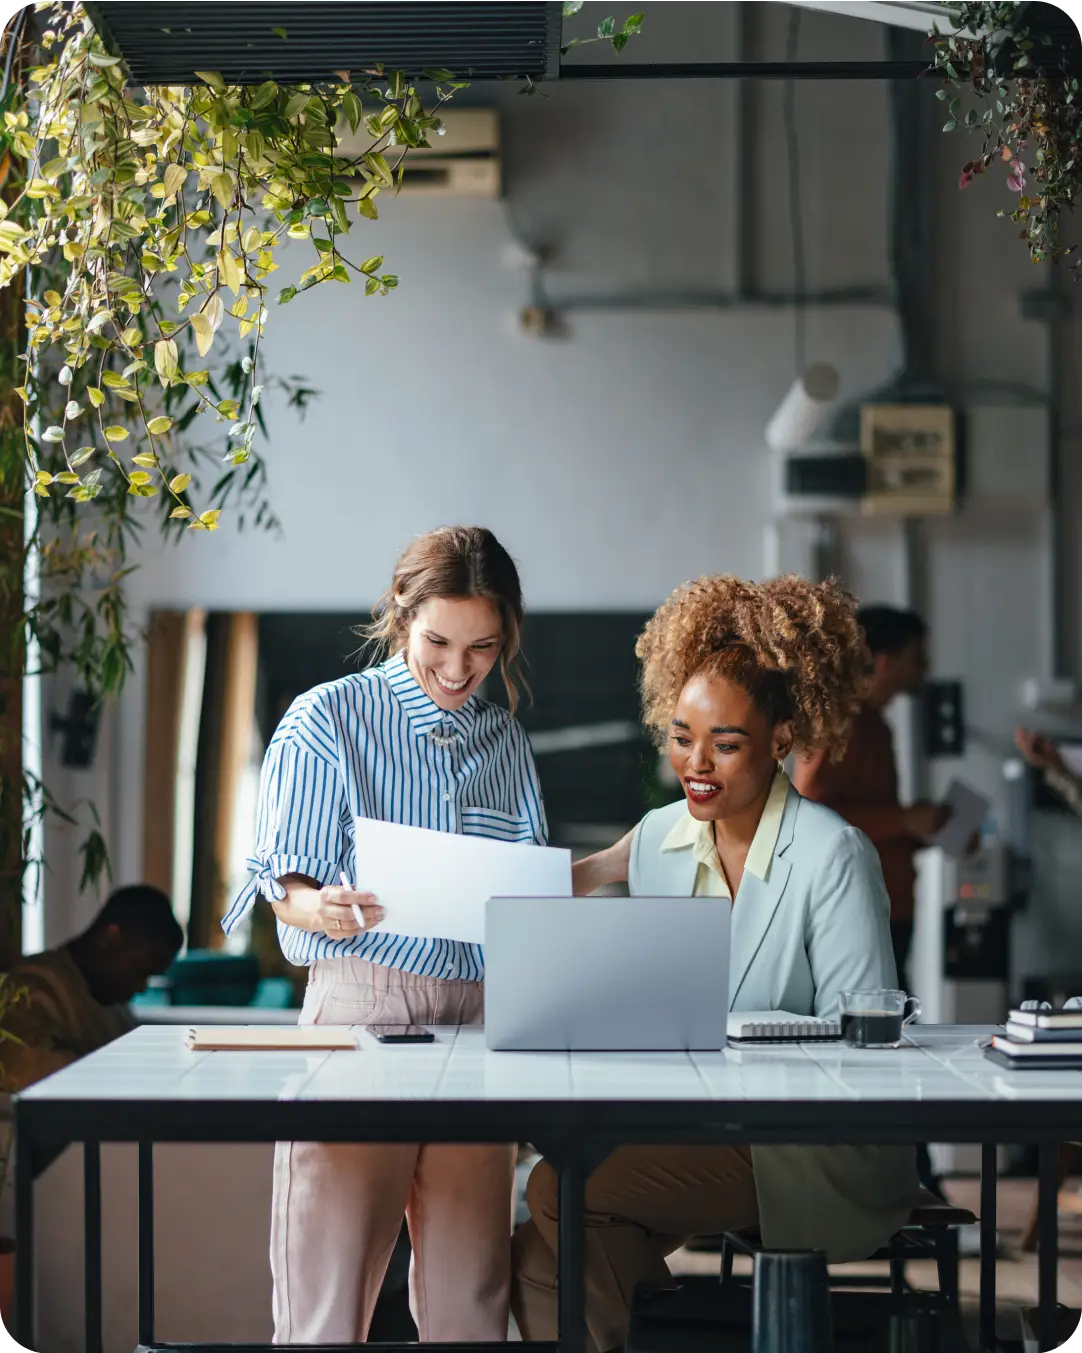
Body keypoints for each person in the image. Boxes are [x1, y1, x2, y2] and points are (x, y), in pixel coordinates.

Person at [222, 526, 628, 1347]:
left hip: (476, 1024)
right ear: (400, 614)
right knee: (325, 1304)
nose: (457, 668)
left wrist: (613, 864)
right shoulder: (326, 720)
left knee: (470, 1301)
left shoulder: (503, 738)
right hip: (359, 1007)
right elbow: (284, 892)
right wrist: (321, 905)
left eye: (482, 647)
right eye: (439, 640)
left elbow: (521, 894)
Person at [511, 575, 920, 1353]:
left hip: (809, 1137)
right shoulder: (663, 836)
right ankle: (674, 1331)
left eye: (726, 742)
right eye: (681, 735)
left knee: (558, 1192)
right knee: (534, 1261)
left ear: (781, 737)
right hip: (698, 1121)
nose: (695, 763)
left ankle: (666, 1333)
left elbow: (870, 1046)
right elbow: (640, 970)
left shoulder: (833, 853)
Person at [791, 604, 949, 989]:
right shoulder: (843, 723)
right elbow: (810, 813)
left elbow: (865, 821)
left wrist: (920, 829)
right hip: (858, 910)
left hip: (888, 905)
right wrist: (904, 820)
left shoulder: (875, 724)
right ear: (884, 661)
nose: (926, 667)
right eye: (917, 657)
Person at [1, 884, 183, 1091]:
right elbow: (21, 1069)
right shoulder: (31, 986)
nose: (141, 988)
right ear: (112, 938)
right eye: (139, 971)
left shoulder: (116, 1008)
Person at [1015, 727, 1082, 816]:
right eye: (1039, 749)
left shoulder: (1069, 746)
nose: (1047, 748)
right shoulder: (1053, 781)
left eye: (1042, 742)